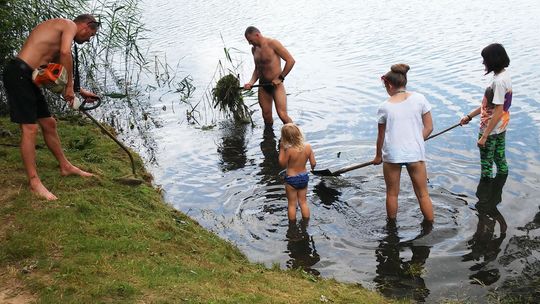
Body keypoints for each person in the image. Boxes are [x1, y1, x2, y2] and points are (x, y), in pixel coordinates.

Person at [2, 14, 100, 200]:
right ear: (87, 25)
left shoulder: (59, 36)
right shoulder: (68, 25)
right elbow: (65, 54)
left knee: (49, 123)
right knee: (30, 129)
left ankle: (65, 166)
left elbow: (55, 69)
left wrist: (78, 90)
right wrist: (69, 86)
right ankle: (34, 182)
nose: (88, 40)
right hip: (18, 74)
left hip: (32, 77)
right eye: (91, 35)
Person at [372, 64, 434, 223]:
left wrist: (378, 156)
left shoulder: (384, 107)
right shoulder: (420, 99)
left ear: (390, 85)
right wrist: (416, 141)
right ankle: (430, 225)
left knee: (392, 193)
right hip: (415, 153)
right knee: (423, 194)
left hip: (392, 155)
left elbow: (380, 137)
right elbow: (429, 127)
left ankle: (391, 228)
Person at [460, 43, 511, 180]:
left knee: (486, 167)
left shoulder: (498, 82)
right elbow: (489, 106)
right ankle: (498, 193)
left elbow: (498, 111)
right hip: (500, 128)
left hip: (490, 129)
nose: (483, 62)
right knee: (501, 161)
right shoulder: (503, 76)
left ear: (493, 60)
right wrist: (469, 116)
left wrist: (484, 136)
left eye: (485, 59)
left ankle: (485, 198)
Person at [243, 26, 295, 126]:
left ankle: (295, 138)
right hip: (263, 87)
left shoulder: (273, 43)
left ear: (257, 35)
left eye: (250, 40)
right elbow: (257, 69)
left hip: (276, 86)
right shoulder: (254, 50)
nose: (249, 43)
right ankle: (269, 140)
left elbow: (290, 61)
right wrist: (250, 83)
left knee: (282, 115)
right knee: (266, 116)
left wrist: (280, 78)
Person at [278, 123, 316, 222]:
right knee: (303, 202)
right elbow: (313, 163)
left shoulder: (289, 150)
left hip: (291, 179)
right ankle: (306, 223)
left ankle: (292, 226)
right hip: (304, 177)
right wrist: (312, 168)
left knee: (292, 204)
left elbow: (282, 163)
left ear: (285, 138)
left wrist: (282, 149)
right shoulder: (308, 146)